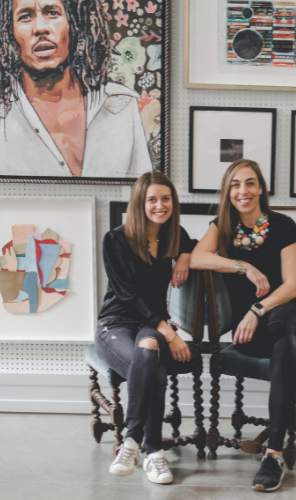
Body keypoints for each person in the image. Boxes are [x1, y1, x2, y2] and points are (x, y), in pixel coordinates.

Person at [190, 159, 296, 493]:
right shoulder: (223, 227)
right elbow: (196, 258)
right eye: (235, 185)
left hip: (272, 322)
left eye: (249, 183)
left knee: (287, 333)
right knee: (293, 317)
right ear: (227, 191)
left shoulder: (283, 226)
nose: (242, 191)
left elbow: (292, 285)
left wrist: (257, 309)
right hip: (248, 336)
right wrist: (243, 266)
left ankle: (273, 455)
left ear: (261, 188)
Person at [0, 0, 151, 177]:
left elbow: (141, 197)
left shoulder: (121, 105)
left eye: (52, 12)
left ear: (74, 22)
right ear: (6, 32)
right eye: (25, 16)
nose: (41, 28)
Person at [95, 171, 195, 484]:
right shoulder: (115, 239)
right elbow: (129, 296)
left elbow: (192, 243)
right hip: (116, 324)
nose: (159, 205)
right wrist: (170, 333)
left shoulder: (173, 234)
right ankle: (153, 451)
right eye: (152, 199)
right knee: (156, 370)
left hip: (150, 325)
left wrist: (184, 256)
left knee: (150, 353)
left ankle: (132, 442)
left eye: (166, 198)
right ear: (140, 202)